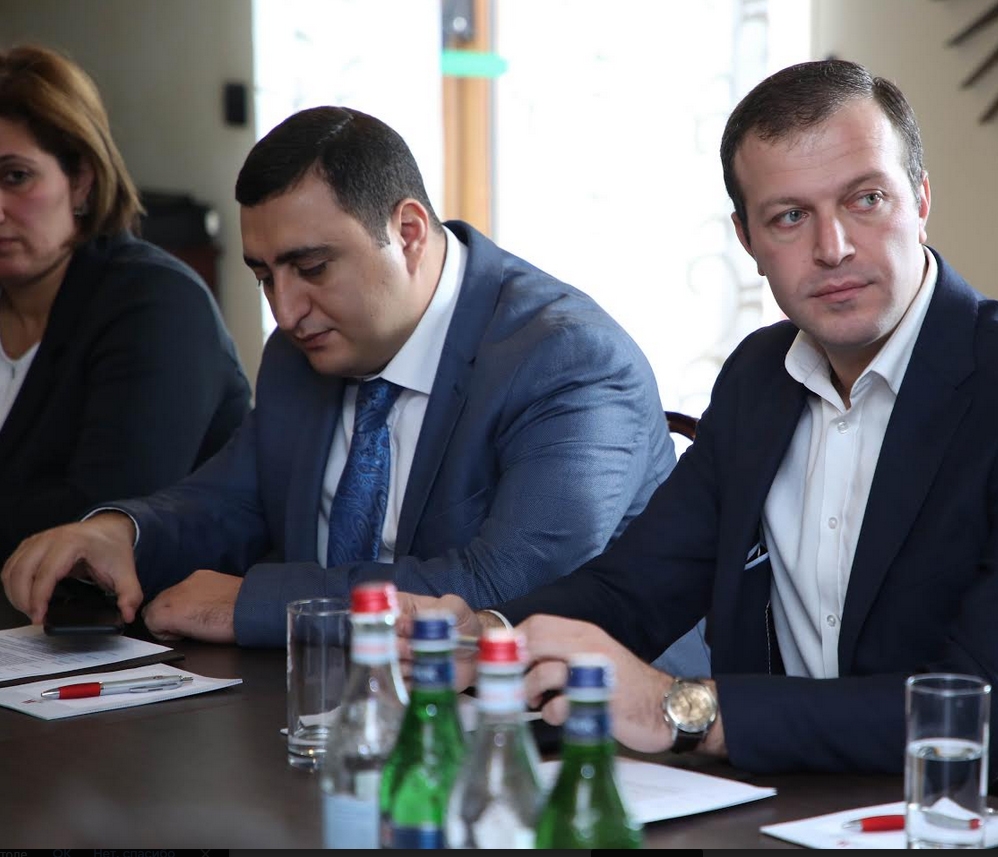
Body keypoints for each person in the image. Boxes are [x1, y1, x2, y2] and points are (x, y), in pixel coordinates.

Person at [398, 59, 998, 842]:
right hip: (800, 811)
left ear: (919, 200)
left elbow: (978, 713)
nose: (833, 246)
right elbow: (633, 589)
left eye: (865, 199)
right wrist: (486, 637)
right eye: (788, 217)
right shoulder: (757, 378)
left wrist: (680, 708)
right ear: (746, 240)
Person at [1, 105, 708, 676]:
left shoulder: (567, 359)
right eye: (264, 275)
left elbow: (500, 587)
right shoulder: (301, 351)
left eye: (311, 267)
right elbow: (234, 499)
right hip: (340, 705)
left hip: (586, 737)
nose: (285, 311)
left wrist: (255, 603)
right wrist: (119, 532)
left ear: (408, 231)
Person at [0, 44, 250, 566]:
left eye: (15, 176)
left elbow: (100, 523)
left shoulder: (157, 303)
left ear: (82, 182)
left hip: (152, 611)